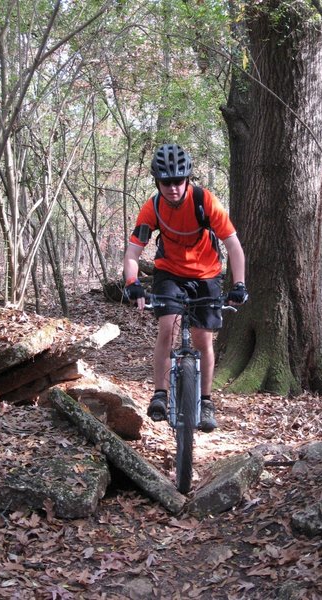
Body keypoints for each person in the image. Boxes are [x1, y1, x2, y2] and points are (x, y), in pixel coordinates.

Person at [123, 143, 248, 432]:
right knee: (168, 327)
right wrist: (133, 283)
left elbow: (234, 246)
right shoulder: (152, 207)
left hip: (207, 275)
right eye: (166, 182)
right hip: (169, 273)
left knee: (203, 340)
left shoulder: (205, 202)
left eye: (179, 181)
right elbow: (132, 254)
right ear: (158, 182)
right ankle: (160, 394)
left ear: (187, 180)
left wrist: (239, 284)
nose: (173, 188)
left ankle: (205, 402)